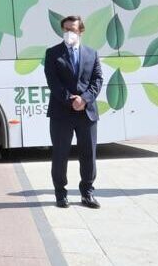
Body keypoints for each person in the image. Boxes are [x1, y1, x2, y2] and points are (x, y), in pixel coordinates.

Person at [44, 15, 103, 209]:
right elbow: (53, 82)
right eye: (66, 29)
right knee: (60, 154)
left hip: (87, 113)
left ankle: (87, 192)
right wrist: (71, 99)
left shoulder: (92, 54)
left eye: (73, 29)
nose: (69, 33)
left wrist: (84, 99)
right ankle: (60, 194)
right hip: (62, 112)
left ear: (81, 31)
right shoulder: (53, 53)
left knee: (88, 154)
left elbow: (97, 80)